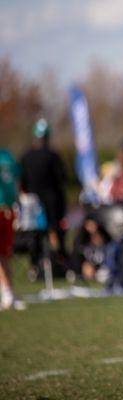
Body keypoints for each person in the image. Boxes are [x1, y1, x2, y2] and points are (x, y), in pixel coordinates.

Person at [20, 118, 68, 274]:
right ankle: (57, 261)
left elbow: (23, 182)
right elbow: (62, 179)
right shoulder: (53, 156)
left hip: (33, 202)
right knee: (52, 231)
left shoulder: (26, 156)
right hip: (51, 201)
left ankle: (35, 265)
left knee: (35, 233)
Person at [0, 148, 22, 310]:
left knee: (6, 253)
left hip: (8, 210)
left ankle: (8, 291)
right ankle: (6, 290)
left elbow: (18, 179)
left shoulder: (7, 155)